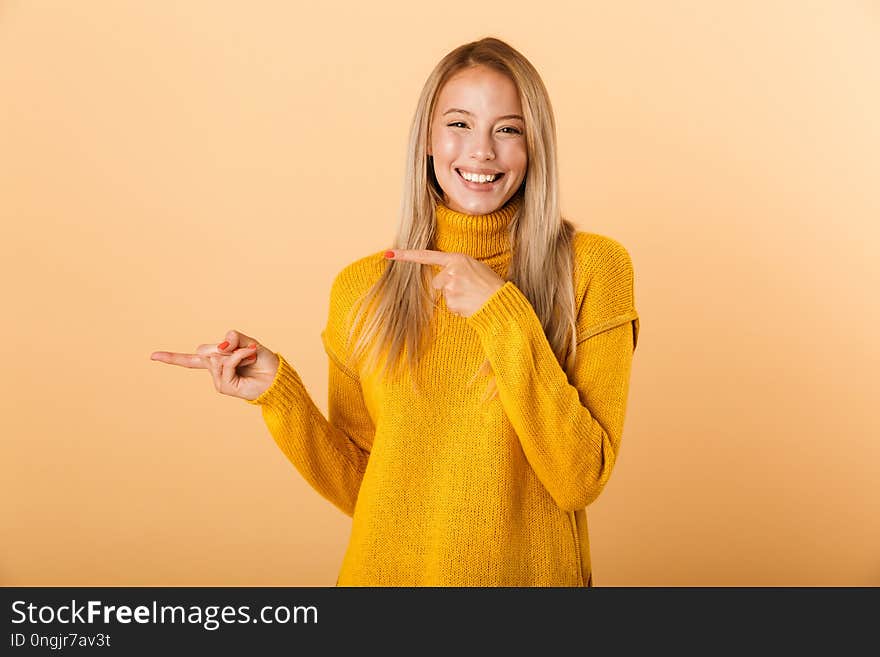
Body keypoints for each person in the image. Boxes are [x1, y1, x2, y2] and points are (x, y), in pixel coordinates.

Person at [150, 36, 640, 587]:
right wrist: (281, 395)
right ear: (427, 142)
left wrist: (503, 314)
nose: (482, 150)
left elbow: (580, 478)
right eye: (459, 124)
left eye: (508, 129)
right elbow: (367, 489)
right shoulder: (363, 289)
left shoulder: (593, 268)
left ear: (535, 146)